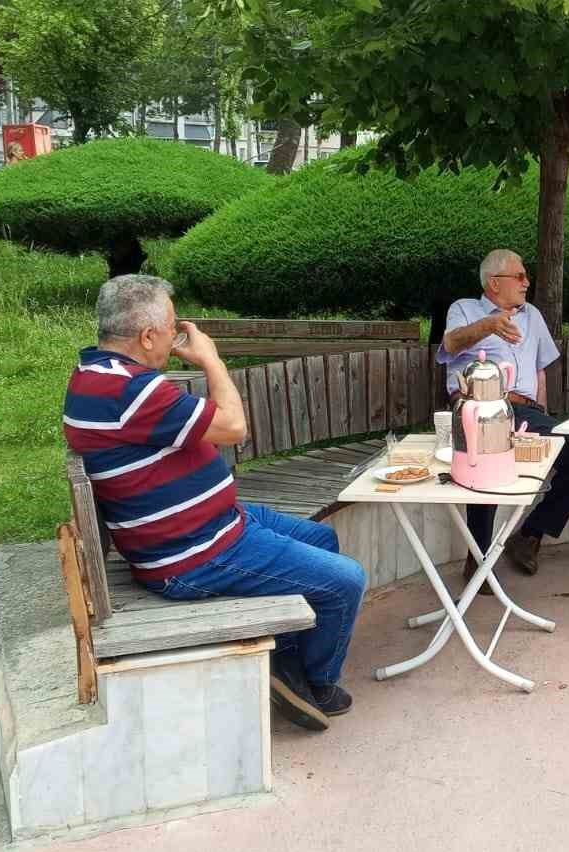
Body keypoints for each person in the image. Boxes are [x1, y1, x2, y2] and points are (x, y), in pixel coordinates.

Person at [63, 275, 366, 733]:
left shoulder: (99, 376)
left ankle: (285, 657)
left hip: (214, 525)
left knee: (322, 537)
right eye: (170, 328)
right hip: (195, 555)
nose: (175, 338)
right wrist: (211, 359)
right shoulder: (132, 390)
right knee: (347, 580)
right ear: (147, 336)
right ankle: (316, 681)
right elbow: (233, 426)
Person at [438, 249, 569, 578]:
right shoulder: (465, 309)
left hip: (525, 412)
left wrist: (545, 418)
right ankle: (478, 559)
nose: (527, 282)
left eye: (526, 276)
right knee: (488, 458)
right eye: (520, 276)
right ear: (495, 283)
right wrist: (488, 325)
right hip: (478, 407)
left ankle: (529, 536)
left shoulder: (532, 315)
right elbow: (451, 344)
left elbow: (538, 372)